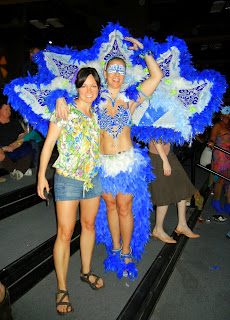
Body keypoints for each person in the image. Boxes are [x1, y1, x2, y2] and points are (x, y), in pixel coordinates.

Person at [56, 37, 163, 277]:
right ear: (105, 72)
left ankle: (126, 252)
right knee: (111, 206)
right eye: (113, 69)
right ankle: (115, 249)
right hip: (101, 163)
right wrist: (60, 98)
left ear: (124, 74)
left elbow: (156, 77)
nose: (117, 74)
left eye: (121, 70)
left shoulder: (132, 97)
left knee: (124, 207)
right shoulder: (93, 97)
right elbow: (72, 89)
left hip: (126, 162)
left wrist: (145, 51)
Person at [37, 67, 104, 315]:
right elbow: (48, 145)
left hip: (92, 179)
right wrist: (41, 176)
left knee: (88, 225)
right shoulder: (64, 109)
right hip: (67, 180)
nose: (89, 90)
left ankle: (85, 271)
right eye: (84, 85)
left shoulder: (96, 114)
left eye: (94, 86)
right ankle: (62, 288)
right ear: (76, 87)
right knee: (64, 234)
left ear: (98, 88)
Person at [148, 140, 200, 243]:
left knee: (182, 188)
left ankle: (182, 224)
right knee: (164, 195)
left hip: (168, 155)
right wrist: (165, 161)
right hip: (159, 157)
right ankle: (158, 229)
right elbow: (156, 136)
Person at [0, 97, 32, 180]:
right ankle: (17, 169)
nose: (9, 112)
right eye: (6, 109)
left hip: (16, 147)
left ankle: (20, 170)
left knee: (28, 145)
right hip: (4, 150)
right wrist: (5, 148)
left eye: (9, 109)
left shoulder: (14, 122)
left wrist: (16, 145)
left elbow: (21, 136)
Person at [207, 106, 230, 214]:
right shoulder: (218, 125)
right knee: (220, 180)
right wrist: (211, 142)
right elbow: (212, 138)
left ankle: (228, 203)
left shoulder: (228, 125)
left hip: (229, 156)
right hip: (220, 156)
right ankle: (216, 201)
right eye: (228, 111)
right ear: (222, 114)